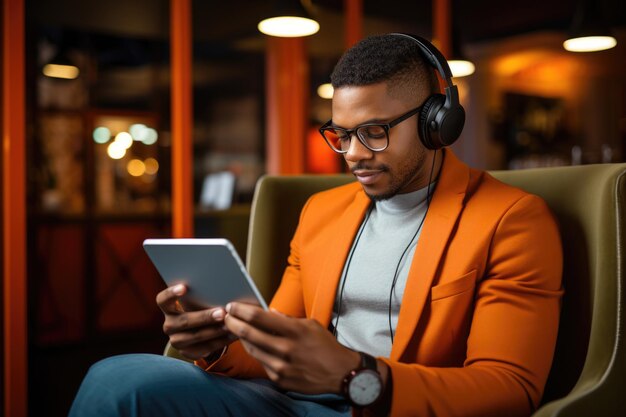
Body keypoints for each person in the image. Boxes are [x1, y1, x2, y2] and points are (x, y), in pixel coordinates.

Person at [69, 33, 562, 417]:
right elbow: (273, 349)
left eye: (374, 132)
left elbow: (508, 390)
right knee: (116, 378)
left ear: (438, 122)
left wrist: (354, 375)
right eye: (341, 134)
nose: (353, 155)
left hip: (386, 406)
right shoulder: (322, 212)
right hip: (288, 402)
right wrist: (220, 344)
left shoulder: (511, 220)